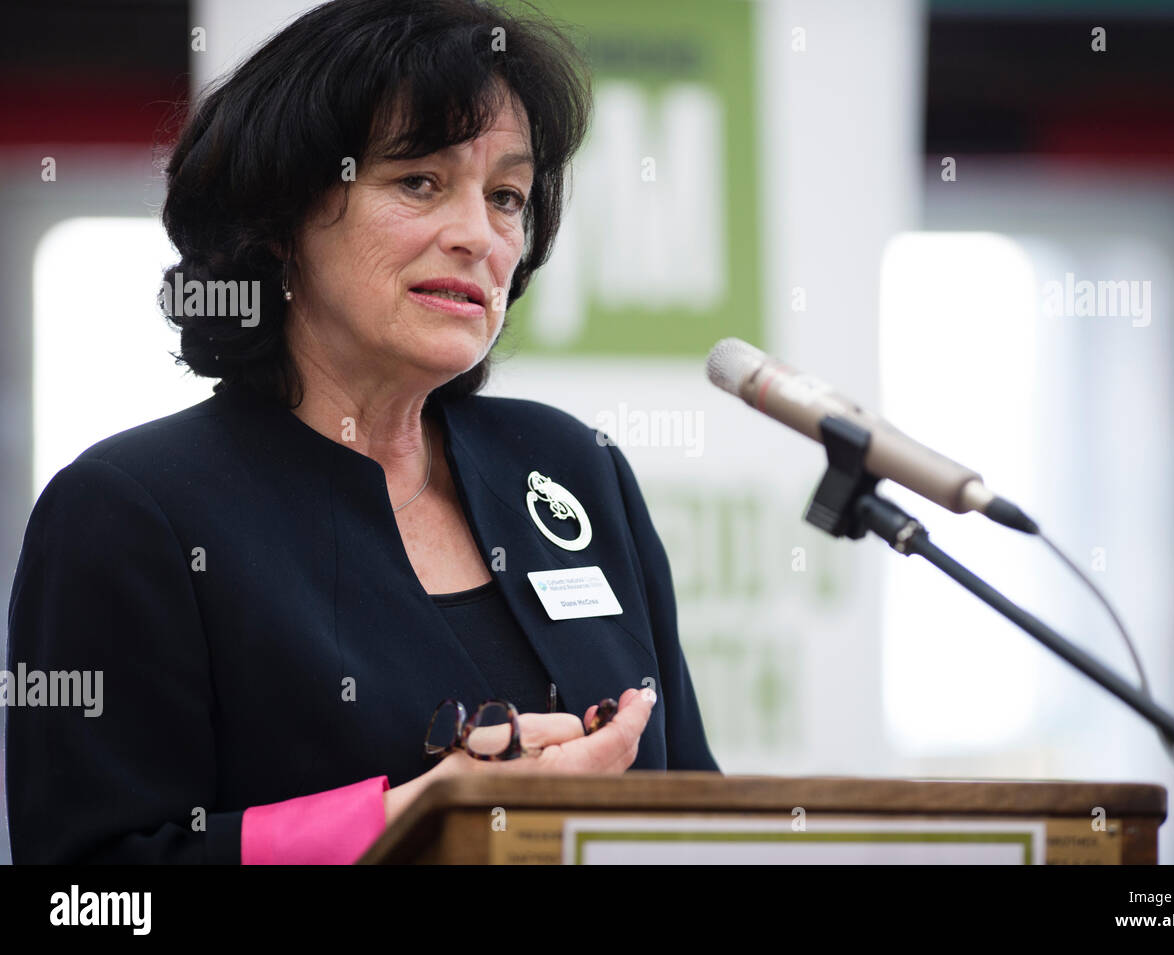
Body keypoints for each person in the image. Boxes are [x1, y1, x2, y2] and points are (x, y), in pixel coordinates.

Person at [4, 0, 718, 865]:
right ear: (277, 219)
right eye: (419, 181)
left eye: (506, 197)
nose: (477, 237)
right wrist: (423, 820)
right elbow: (87, 894)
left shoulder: (571, 467)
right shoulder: (130, 511)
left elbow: (696, 811)